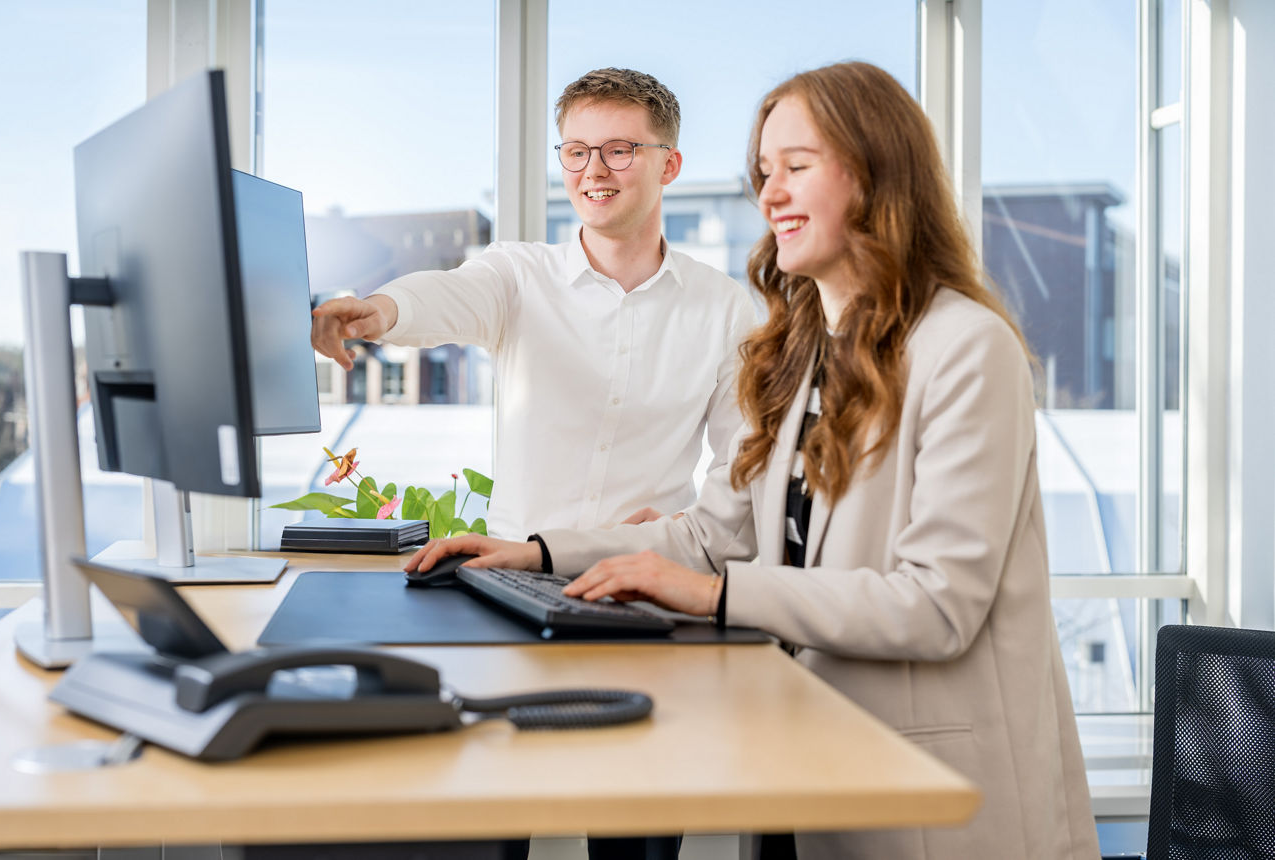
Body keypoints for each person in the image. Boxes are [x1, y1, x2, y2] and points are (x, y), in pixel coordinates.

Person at [407, 61, 1101, 860]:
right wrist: (535, 554)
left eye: (797, 168)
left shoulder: (967, 350)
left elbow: (938, 605)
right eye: (764, 172)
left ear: (878, 176)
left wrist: (710, 595)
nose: (769, 194)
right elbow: (715, 534)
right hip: (804, 755)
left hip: (927, 783)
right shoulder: (804, 356)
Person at [310, 67, 757, 541]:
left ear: (669, 165)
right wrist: (383, 309)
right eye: (577, 152)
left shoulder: (723, 306)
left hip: (643, 577)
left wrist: (688, 529)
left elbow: (743, 461)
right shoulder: (518, 274)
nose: (594, 170)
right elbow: (451, 293)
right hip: (513, 570)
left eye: (619, 151)